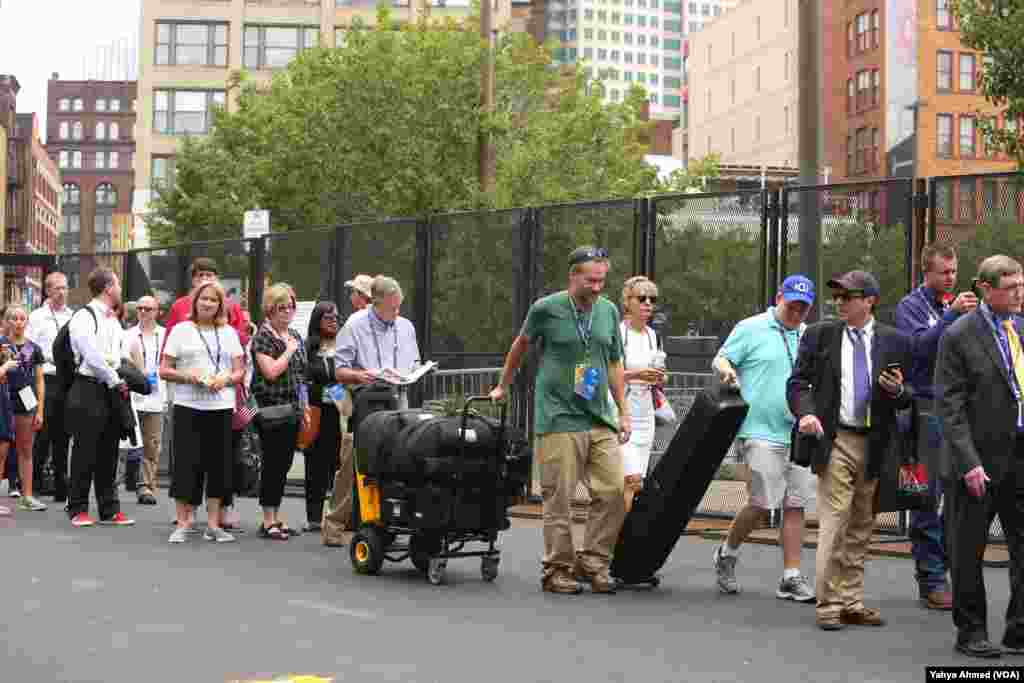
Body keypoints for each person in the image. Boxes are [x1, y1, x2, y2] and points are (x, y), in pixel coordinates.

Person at [489, 246, 630, 595]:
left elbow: (613, 363)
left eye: (602, 280)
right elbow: (520, 345)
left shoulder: (608, 311)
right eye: (591, 280)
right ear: (573, 276)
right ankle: (557, 569)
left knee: (613, 491)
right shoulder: (546, 309)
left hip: (598, 416)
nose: (597, 287)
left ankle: (594, 562)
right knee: (560, 498)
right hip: (558, 417)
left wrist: (623, 410)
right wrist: (503, 385)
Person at [787, 270, 912, 631]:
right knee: (834, 521)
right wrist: (806, 412)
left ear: (869, 300)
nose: (839, 303)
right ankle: (828, 605)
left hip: (875, 442)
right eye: (837, 297)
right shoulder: (820, 335)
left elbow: (913, 397)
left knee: (861, 524)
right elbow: (798, 382)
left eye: (848, 296)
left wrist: (899, 393)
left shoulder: (895, 341)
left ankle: (852, 601)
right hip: (835, 439)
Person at [936, 254, 1024, 658]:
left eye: (1022, 285)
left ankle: (1018, 629)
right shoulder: (959, 335)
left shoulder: (1020, 326)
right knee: (967, 549)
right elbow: (949, 406)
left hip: (1019, 455)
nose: (1020, 293)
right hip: (977, 458)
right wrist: (969, 461)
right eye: (1011, 287)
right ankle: (970, 631)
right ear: (985, 290)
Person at [711, 275, 817, 602]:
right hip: (758, 429)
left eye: (804, 306)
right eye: (792, 304)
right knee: (761, 504)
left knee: (796, 504)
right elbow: (721, 357)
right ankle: (727, 553)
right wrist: (727, 371)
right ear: (778, 297)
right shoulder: (752, 327)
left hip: (798, 432)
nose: (797, 311)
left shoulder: (808, 337)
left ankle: (791, 576)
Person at [895, 243, 977, 611]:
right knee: (925, 496)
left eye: (954, 271)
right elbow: (916, 350)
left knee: (958, 494)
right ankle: (930, 577)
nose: (951, 278)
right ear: (926, 273)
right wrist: (950, 318)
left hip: (957, 408)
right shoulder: (910, 307)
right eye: (944, 272)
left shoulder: (957, 306)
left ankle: (948, 567)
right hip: (923, 410)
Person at [160, 282, 245, 544]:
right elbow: (164, 369)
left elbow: (240, 370)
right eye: (203, 299)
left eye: (213, 300)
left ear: (221, 305)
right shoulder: (180, 331)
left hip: (220, 406)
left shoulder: (229, 332)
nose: (207, 303)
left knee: (218, 466)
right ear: (194, 301)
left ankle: (213, 524)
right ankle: (184, 523)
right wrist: (190, 377)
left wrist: (227, 380)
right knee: (186, 463)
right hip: (188, 405)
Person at [65, 267, 135, 528]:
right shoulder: (83, 316)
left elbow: (118, 353)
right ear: (108, 288)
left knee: (109, 449)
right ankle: (78, 509)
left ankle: (109, 508)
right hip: (89, 387)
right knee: (85, 449)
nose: (119, 289)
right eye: (116, 284)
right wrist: (113, 377)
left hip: (111, 387)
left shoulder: (113, 320)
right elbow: (89, 354)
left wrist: (119, 373)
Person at [252, 283, 307, 540]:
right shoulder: (264, 336)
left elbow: (301, 374)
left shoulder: (295, 335)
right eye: (281, 308)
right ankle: (267, 519)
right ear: (270, 310)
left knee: (284, 464)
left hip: (294, 408)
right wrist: (288, 350)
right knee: (272, 463)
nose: (287, 312)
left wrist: (305, 405)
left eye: (290, 307)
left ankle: (277, 516)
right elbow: (271, 371)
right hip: (272, 409)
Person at [321, 281, 372, 547]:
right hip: (356, 402)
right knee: (350, 465)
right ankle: (333, 525)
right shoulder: (355, 323)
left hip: (380, 402)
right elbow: (340, 372)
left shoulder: (391, 325)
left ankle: (362, 524)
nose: (352, 295)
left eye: (355, 291)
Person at [617, 276, 666, 512]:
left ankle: (623, 540)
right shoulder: (617, 334)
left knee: (637, 485)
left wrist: (659, 378)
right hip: (621, 413)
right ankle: (618, 543)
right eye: (642, 298)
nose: (648, 303)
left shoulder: (652, 336)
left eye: (652, 299)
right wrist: (636, 375)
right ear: (627, 302)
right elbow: (604, 375)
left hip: (645, 415)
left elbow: (657, 374)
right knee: (630, 480)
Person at [27, 271, 72, 502]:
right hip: (45, 378)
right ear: (47, 291)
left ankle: (61, 485)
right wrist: (46, 358)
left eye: (65, 288)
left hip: (66, 380)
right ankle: (34, 484)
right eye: (58, 288)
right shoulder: (37, 317)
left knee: (63, 435)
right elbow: (28, 348)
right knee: (42, 433)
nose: (62, 292)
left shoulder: (73, 316)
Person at [1, 306, 46, 512]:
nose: (18, 322)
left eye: (21, 318)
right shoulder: (2, 345)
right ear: (6, 322)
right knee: (2, 449)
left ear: (26, 322)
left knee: (26, 448)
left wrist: (40, 410)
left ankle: (27, 495)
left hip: (26, 399)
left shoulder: (33, 348)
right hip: (3, 397)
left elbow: (39, 381)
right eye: (14, 318)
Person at [303, 301, 343, 533]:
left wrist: (339, 395)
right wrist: (331, 393)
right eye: (327, 317)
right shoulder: (309, 347)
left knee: (340, 465)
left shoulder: (345, 346)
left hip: (341, 416)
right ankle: (314, 518)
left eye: (336, 317)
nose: (333, 320)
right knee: (315, 465)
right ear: (317, 320)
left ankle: (339, 514)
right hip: (317, 413)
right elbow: (304, 382)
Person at [123, 295, 166, 505]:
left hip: (157, 396)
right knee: (131, 440)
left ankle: (147, 485)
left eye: (148, 309)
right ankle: (135, 482)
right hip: (133, 395)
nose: (143, 312)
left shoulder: (165, 335)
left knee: (152, 443)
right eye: (140, 308)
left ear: (157, 312)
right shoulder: (128, 335)